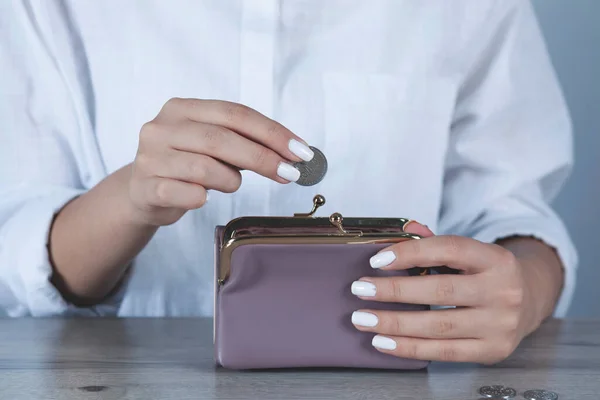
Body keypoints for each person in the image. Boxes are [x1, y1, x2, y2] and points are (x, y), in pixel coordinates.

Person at [0, 1, 576, 365]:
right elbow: (22, 251)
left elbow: (513, 209)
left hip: (395, 369)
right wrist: (131, 196)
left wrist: (524, 287)